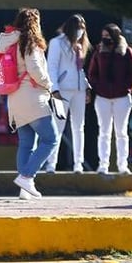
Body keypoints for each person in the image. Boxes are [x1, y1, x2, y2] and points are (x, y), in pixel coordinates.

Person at [0, 8, 57, 199]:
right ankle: (27, 176)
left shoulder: (8, 41)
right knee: (50, 139)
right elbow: (34, 68)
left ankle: (25, 190)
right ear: (34, 23)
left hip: (14, 98)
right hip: (33, 97)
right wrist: (49, 84)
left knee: (26, 144)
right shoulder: (30, 42)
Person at [87, 24, 132, 174]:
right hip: (103, 97)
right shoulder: (98, 50)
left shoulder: (126, 51)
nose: (105, 38)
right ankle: (103, 165)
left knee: (121, 132)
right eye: (104, 35)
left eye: (108, 35)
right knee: (104, 132)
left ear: (115, 35)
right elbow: (92, 73)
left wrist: (125, 86)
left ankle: (123, 165)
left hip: (122, 97)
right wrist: (98, 87)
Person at [44, 14, 91, 173]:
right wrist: (54, 89)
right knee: (57, 127)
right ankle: (51, 164)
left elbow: (79, 69)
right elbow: (52, 67)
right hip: (61, 90)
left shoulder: (80, 44)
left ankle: (78, 164)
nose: (81, 31)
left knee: (79, 128)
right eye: (79, 27)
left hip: (78, 90)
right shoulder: (57, 43)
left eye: (83, 28)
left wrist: (86, 86)